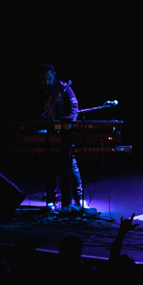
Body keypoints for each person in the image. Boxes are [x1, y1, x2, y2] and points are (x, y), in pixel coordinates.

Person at [40, 63, 83, 208]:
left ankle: (79, 198)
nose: (46, 82)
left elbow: (74, 107)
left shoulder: (64, 87)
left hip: (65, 132)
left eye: (49, 79)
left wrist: (67, 126)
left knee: (71, 164)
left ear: (54, 75)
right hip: (49, 133)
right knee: (50, 165)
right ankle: (51, 200)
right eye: (43, 80)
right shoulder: (40, 91)